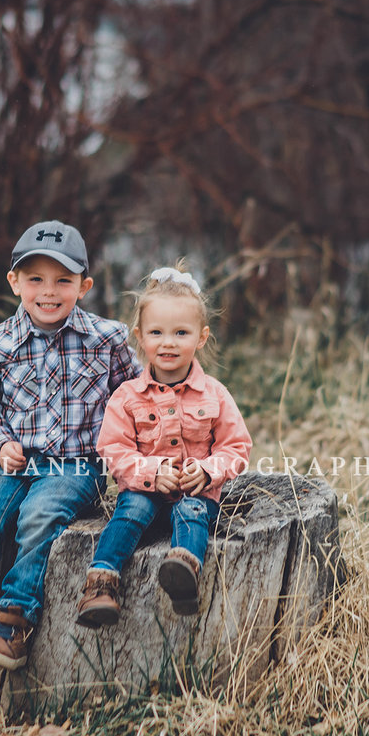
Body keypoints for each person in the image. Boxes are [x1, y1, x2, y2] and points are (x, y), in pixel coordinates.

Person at [0, 220, 140, 705]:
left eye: (63, 281)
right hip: (14, 464)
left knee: (39, 516)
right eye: (36, 280)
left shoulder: (106, 340)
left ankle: (13, 623)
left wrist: (133, 447)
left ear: (84, 286)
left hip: (75, 466)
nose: (49, 292)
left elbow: (134, 393)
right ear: (14, 282)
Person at [76, 266, 251, 625]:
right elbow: (113, 449)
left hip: (195, 494)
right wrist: (152, 473)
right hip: (143, 490)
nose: (168, 342)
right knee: (131, 511)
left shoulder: (215, 394)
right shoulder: (127, 396)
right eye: (156, 332)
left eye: (180, 333)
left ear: (201, 338)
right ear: (140, 336)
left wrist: (206, 471)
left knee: (192, 512)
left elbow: (237, 447)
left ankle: (183, 570)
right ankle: (102, 582)